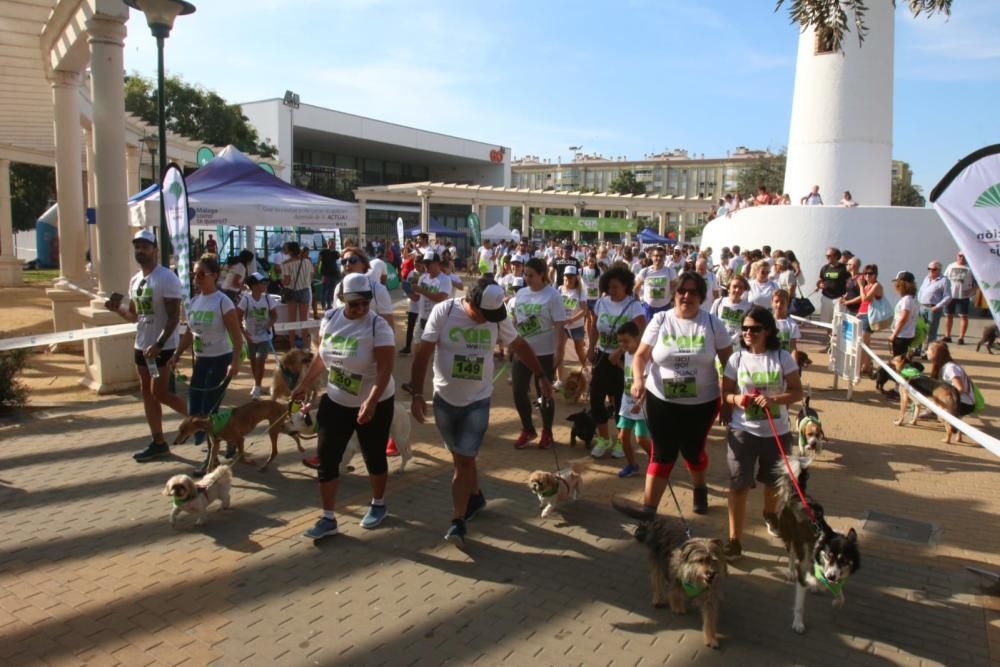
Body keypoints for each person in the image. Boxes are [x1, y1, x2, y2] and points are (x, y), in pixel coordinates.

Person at [409, 278, 553, 546]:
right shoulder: (445, 312)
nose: (487, 320)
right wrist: (417, 394)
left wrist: (541, 375)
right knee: (460, 458)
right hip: (444, 401)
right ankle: (475, 496)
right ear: (471, 303)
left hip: (478, 401)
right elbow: (423, 353)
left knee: (464, 461)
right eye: (482, 314)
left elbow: (519, 346)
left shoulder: (497, 318)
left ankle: (457, 520)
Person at [292, 274, 397, 539]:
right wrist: (305, 384)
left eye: (365, 303)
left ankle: (378, 503)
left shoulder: (378, 326)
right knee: (327, 458)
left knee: (373, 455)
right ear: (342, 301)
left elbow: (385, 370)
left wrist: (371, 402)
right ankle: (327, 518)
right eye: (354, 305)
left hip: (375, 401)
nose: (361, 309)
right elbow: (321, 357)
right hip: (337, 399)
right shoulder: (329, 319)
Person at [625, 271, 732, 517]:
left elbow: (729, 365)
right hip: (660, 399)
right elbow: (640, 356)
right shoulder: (661, 320)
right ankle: (648, 513)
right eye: (682, 291)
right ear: (673, 294)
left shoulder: (713, 324)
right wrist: (638, 379)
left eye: (693, 292)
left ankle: (699, 487)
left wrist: (728, 399)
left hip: (702, 403)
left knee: (693, 452)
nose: (686, 296)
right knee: (662, 454)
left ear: (702, 296)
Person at [720, 306, 803, 560]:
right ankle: (734, 540)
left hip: (776, 432)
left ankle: (769, 513)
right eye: (744, 328)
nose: (747, 333)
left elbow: (797, 392)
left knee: (771, 483)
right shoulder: (736, 359)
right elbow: (725, 394)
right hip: (743, 431)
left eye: (754, 329)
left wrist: (775, 399)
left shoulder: (782, 357)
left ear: (767, 331)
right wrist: (737, 399)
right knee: (738, 486)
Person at [107, 229, 187, 462]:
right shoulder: (135, 280)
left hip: (162, 346)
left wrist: (160, 344)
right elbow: (134, 316)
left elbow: (174, 317)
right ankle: (158, 442)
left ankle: (203, 421)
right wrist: (117, 309)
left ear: (155, 249)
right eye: (137, 247)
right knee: (147, 393)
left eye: (145, 246)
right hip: (141, 344)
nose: (140, 251)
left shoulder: (166, 278)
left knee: (160, 392)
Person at [171, 254, 243, 475]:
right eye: (194, 274)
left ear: (213, 276)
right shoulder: (193, 301)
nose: (197, 279)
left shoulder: (223, 301)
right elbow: (190, 333)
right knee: (194, 409)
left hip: (220, 359)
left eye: (201, 274)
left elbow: (236, 335)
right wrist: (177, 353)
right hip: (201, 360)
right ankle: (230, 439)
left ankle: (210, 461)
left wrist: (234, 362)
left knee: (208, 415)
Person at [587, 265, 646, 458]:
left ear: (626, 286)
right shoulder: (601, 302)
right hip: (603, 356)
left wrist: (621, 350)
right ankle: (604, 438)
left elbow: (640, 333)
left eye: (615, 287)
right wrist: (590, 347)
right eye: (609, 287)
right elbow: (594, 326)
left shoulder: (634, 306)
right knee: (596, 397)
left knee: (622, 401)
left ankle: (622, 441)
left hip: (625, 359)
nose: (611, 291)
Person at [508, 258, 567, 449]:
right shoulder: (522, 294)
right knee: (518, 390)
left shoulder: (553, 295)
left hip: (545, 352)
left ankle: (547, 431)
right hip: (523, 350)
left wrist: (559, 350)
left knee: (545, 393)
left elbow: (559, 324)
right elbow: (517, 319)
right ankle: (528, 429)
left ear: (542, 275)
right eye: (525, 274)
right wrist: (512, 342)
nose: (527, 278)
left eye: (531, 275)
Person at [895, 341, 976, 441]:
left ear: (935, 353)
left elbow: (960, 389)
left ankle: (949, 435)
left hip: (963, 402)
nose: (926, 352)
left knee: (941, 414)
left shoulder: (950, 368)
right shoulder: (943, 366)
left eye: (928, 350)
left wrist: (944, 401)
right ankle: (957, 433)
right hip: (958, 399)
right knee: (941, 409)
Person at [615, 321, 652, 479]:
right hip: (626, 400)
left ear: (637, 339)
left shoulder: (646, 357)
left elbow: (649, 384)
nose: (623, 345)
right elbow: (629, 373)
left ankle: (657, 462)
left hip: (641, 404)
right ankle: (632, 465)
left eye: (626, 341)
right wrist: (618, 363)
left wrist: (639, 402)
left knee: (641, 439)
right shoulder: (627, 354)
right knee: (623, 437)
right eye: (620, 341)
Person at [238, 272, 278, 399]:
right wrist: (245, 334)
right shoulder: (246, 299)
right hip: (250, 337)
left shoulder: (267, 298)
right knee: (253, 362)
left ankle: (257, 386)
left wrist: (268, 325)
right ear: (254, 285)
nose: (265, 285)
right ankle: (257, 384)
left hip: (265, 337)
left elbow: (274, 315)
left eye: (266, 283)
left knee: (260, 361)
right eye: (263, 283)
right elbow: (237, 317)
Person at [334, 247, 395, 330]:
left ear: (364, 264)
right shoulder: (338, 288)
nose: (347, 264)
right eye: (344, 261)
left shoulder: (378, 290)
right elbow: (336, 318)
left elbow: (389, 328)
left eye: (353, 260)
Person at [557, 265, 589, 390]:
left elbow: (584, 310)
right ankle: (559, 379)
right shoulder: (559, 289)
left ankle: (587, 372)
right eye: (566, 276)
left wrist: (571, 319)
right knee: (559, 351)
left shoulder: (580, 292)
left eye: (571, 277)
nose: (568, 279)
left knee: (579, 351)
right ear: (563, 277)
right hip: (562, 326)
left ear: (576, 278)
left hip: (576, 326)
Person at [280, 242, 314, 349]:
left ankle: (292, 346)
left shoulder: (286, 264)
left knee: (292, 321)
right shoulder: (307, 261)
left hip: (292, 292)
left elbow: (286, 281)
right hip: (305, 290)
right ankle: (305, 346)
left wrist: (280, 280)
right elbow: (311, 275)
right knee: (304, 320)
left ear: (289, 251)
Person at [634, 245, 676, 322]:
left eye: (661, 256)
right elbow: (636, 289)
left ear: (664, 258)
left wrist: (674, 303)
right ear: (652, 257)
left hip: (664, 308)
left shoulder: (670, 272)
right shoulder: (645, 271)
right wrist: (638, 304)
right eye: (656, 256)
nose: (658, 258)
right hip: (648, 309)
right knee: (647, 332)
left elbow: (674, 289)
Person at [943, 252, 976, 344]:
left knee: (963, 316)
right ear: (956, 256)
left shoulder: (970, 268)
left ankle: (961, 337)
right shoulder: (950, 266)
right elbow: (944, 279)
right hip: (950, 296)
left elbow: (976, 283)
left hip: (963, 297)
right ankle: (947, 335)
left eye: (964, 256)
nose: (962, 258)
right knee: (948, 315)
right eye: (960, 256)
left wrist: (971, 292)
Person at [917, 260, 950, 351]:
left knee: (931, 331)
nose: (931, 271)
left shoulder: (944, 280)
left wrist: (937, 306)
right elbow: (921, 291)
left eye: (934, 269)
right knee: (920, 329)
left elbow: (947, 297)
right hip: (922, 307)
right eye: (929, 269)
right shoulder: (926, 278)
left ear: (939, 270)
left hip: (933, 308)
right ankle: (918, 349)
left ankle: (928, 351)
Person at [711, 274, 752, 346]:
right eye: (735, 286)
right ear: (728, 288)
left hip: (738, 347)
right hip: (719, 344)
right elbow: (711, 322)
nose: (737, 290)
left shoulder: (748, 307)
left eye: (741, 287)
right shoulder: (718, 302)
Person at [816, 247, 849, 325]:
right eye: (826, 256)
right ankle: (830, 335)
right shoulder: (825, 268)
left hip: (839, 299)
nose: (827, 258)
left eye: (829, 256)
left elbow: (850, 283)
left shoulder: (844, 268)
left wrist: (846, 296)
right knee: (825, 322)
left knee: (838, 322)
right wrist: (819, 285)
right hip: (826, 297)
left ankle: (835, 336)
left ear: (836, 256)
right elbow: (820, 280)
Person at [399, 256, 425, 355]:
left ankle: (423, 348)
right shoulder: (411, 273)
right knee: (410, 327)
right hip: (413, 305)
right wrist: (407, 289)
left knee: (423, 328)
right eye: (415, 264)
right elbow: (409, 286)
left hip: (423, 306)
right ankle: (408, 347)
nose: (416, 266)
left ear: (423, 264)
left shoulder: (427, 275)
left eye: (418, 264)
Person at [889, 271, 918, 358]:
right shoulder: (910, 299)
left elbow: (904, 318)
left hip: (902, 335)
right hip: (905, 334)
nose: (896, 286)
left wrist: (894, 334)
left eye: (897, 283)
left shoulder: (907, 300)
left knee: (899, 360)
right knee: (902, 360)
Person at [771, 290, 800, 354]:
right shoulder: (766, 321)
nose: (779, 305)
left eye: (782, 302)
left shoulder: (792, 324)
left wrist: (794, 363)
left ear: (787, 304)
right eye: (776, 301)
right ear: (771, 303)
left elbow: (793, 347)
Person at [318, 239, 341, 310]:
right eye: (332, 243)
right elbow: (319, 260)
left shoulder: (335, 253)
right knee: (325, 290)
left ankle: (329, 305)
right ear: (328, 243)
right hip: (325, 275)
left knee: (331, 290)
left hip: (333, 274)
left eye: (334, 243)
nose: (334, 244)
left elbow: (339, 256)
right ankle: (323, 305)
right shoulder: (323, 251)